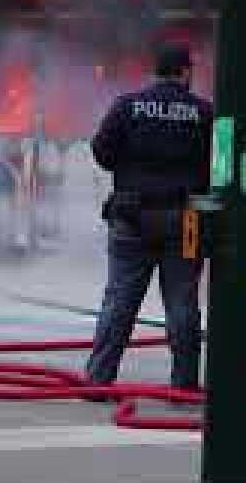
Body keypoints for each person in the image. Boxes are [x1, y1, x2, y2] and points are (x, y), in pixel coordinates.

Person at [84, 42, 213, 393]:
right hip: (183, 221)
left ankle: (98, 380)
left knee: (119, 302)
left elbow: (101, 151)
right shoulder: (203, 112)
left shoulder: (127, 106)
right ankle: (185, 385)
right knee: (182, 305)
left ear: (156, 71)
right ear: (185, 72)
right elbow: (219, 167)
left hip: (131, 216)